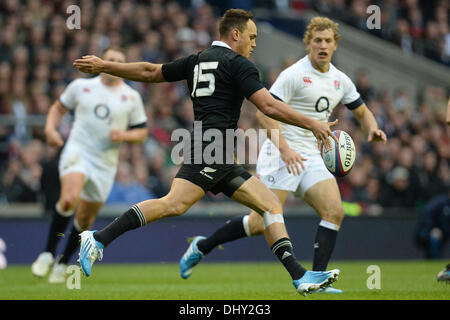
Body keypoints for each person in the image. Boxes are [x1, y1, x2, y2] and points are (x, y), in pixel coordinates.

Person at [73, 9, 341, 295]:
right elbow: (269, 106)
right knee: (172, 204)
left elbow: (150, 71)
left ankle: (300, 277)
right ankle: (98, 238)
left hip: (218, 152)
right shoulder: (240, 65)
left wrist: (105, 66)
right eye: (252, 37)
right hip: (210, 152)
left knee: (270, 205)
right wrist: (313, 123)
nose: (254, 43)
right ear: (235, 34)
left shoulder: (196, 59)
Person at [178, 16, 387, 294]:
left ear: (335, 45)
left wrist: (372, 128)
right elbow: (265, 114)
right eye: (317, 40)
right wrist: (285, 149)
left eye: (327, 41)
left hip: (312, 156)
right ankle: (203, 245)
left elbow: (361, 110)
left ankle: (319, 278)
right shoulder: (294, 75)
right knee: (257, 222)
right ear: (308, 44)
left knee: (334, 211)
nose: (322, 45)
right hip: (280, 153)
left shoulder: (340, 80)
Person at [31, 47, 148, 283]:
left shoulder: (131, 97)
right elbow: (58, 108)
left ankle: (63, 263)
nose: (114, 63)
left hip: (105, 164)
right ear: (103, 62)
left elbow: (142, 132)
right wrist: (50, 129)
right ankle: (47, 253)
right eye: (111, 59)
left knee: (84, 220)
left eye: (119, 61)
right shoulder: (81, 86)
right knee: (68, 199)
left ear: (123, 67)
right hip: (78, 152)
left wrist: (124, 136)